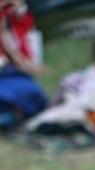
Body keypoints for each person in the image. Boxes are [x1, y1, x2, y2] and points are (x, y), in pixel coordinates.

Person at [0, 0, 46, 129]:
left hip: (9, 70)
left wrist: (25, 63)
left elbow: (5, 34)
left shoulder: (11, 12)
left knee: (32, 95)